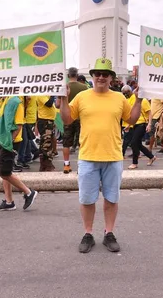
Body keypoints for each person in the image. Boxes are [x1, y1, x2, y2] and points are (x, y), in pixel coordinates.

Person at [60, 58, 141, 253]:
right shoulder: (82, 97)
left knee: (111, 199)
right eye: (98, 74)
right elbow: (67, 119)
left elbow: (132, 118)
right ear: (93, 76)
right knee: (87, 199)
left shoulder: (119, 98)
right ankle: (88, 233)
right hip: (88, 156)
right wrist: (63, 98)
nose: (101, 77)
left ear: (112, 78)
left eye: (105, 74)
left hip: (113, 156)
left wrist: (138, 100)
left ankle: (108, 233)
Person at [0, 96, 38, 211]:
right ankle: (9, 202)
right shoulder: (3, 101)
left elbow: (19, 125)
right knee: (5, 171)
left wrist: (9, 141)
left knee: (4, 173)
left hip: (9, 142)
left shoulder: (16, 102)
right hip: (1, 140)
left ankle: (28, 192)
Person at [120, 86, 155, 170]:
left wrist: (149, 124)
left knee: (134, 143)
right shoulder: (131, 100)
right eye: (124, 93)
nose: (125, 95)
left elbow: (149, 112)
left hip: (142, 124)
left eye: (126, 93)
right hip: (135, 125)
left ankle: (134, 163)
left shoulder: (143, 100)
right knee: (138, 144)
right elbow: (132, 115)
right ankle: (151, 156)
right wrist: (128, 125)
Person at [61, 67, 88, 173]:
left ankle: (66, 165)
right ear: (77, 75)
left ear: (68, 76)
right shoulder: (84, 87)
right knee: (82, 142)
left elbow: (58, 104)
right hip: (81, 118)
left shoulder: (64, 87)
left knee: (66, 143)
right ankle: (81, 165)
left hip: (68, 117)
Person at [36, 95, 57, 171]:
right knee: (46, 143)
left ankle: (44, 164)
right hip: (45, 121)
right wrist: (52, 95)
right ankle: (47, 163)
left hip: (48, 121)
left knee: (46, 142)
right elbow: (49, 104)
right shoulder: (41, 95)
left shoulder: (46, 95)